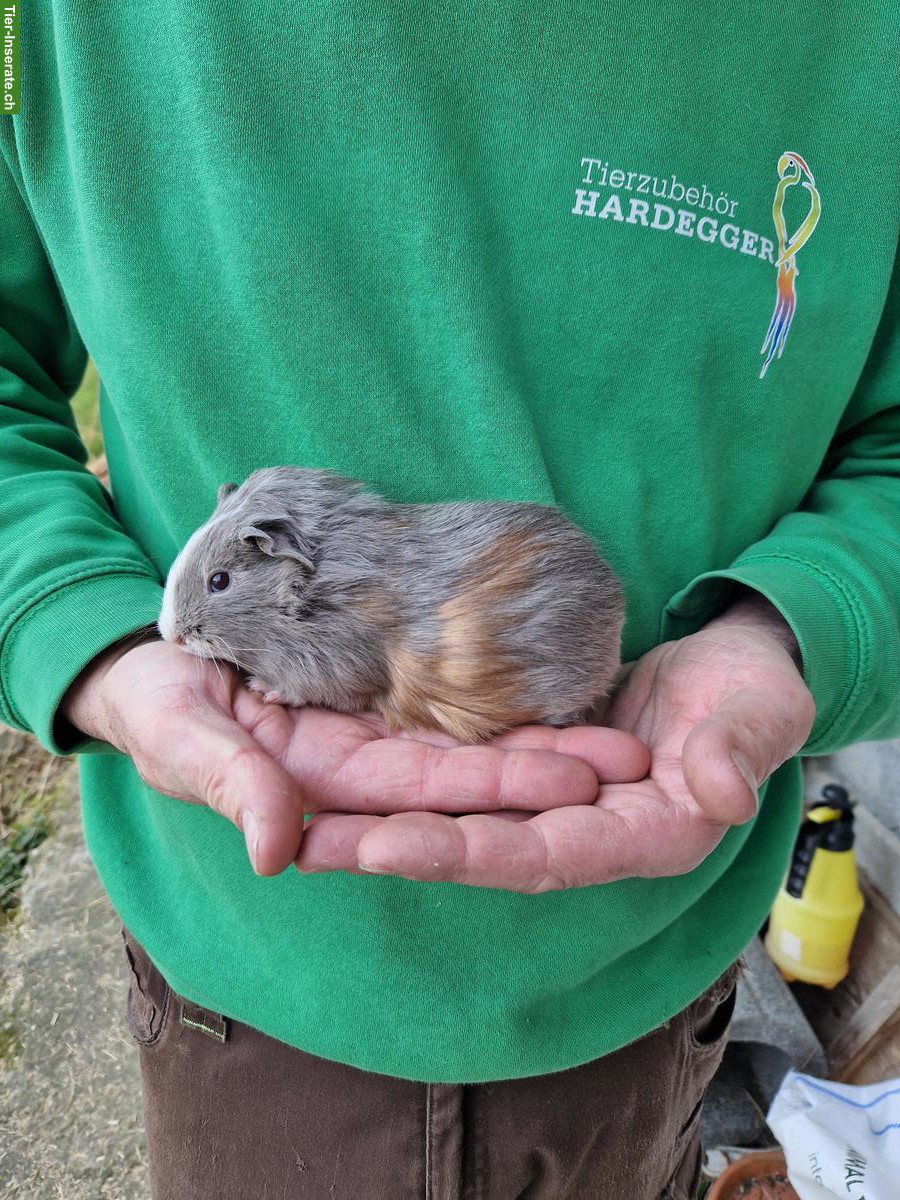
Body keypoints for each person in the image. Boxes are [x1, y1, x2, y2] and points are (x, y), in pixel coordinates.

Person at [1, 5, 897, 1198]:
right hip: (245, 978)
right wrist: (88, 634)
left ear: (284, 559)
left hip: (647, 976)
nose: (196, 617)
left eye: (216, 590)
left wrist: (803, 619)